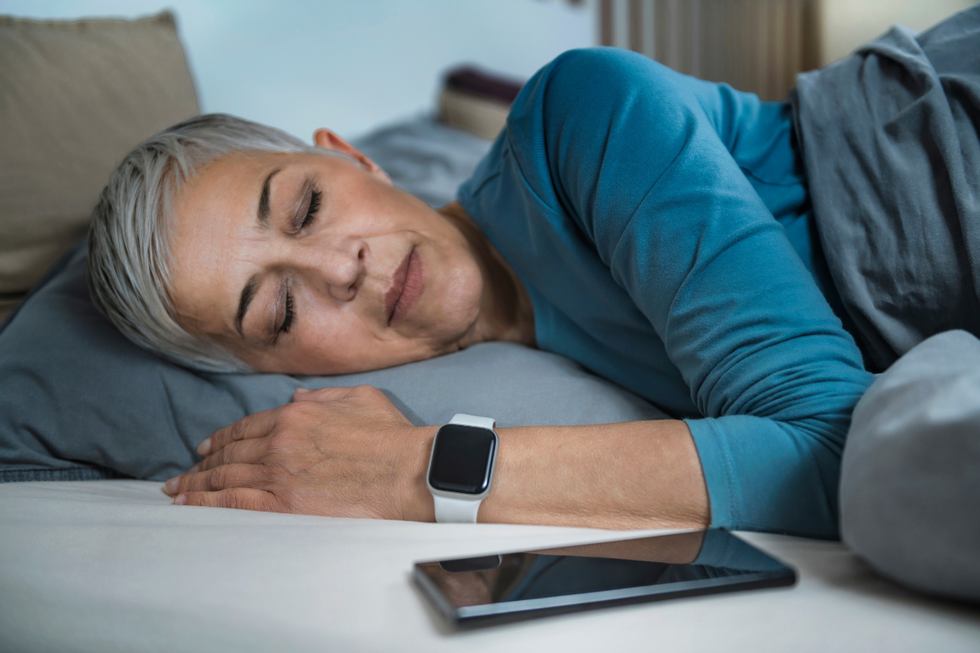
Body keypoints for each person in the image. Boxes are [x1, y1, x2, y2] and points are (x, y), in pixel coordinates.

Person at [86, 7, 980, 539]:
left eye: (307, 208)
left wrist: (409, 472)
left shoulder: (578, 112)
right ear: (273, 373)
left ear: (354, 157)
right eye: (277, 308)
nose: (339, 270)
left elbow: (839, 445)